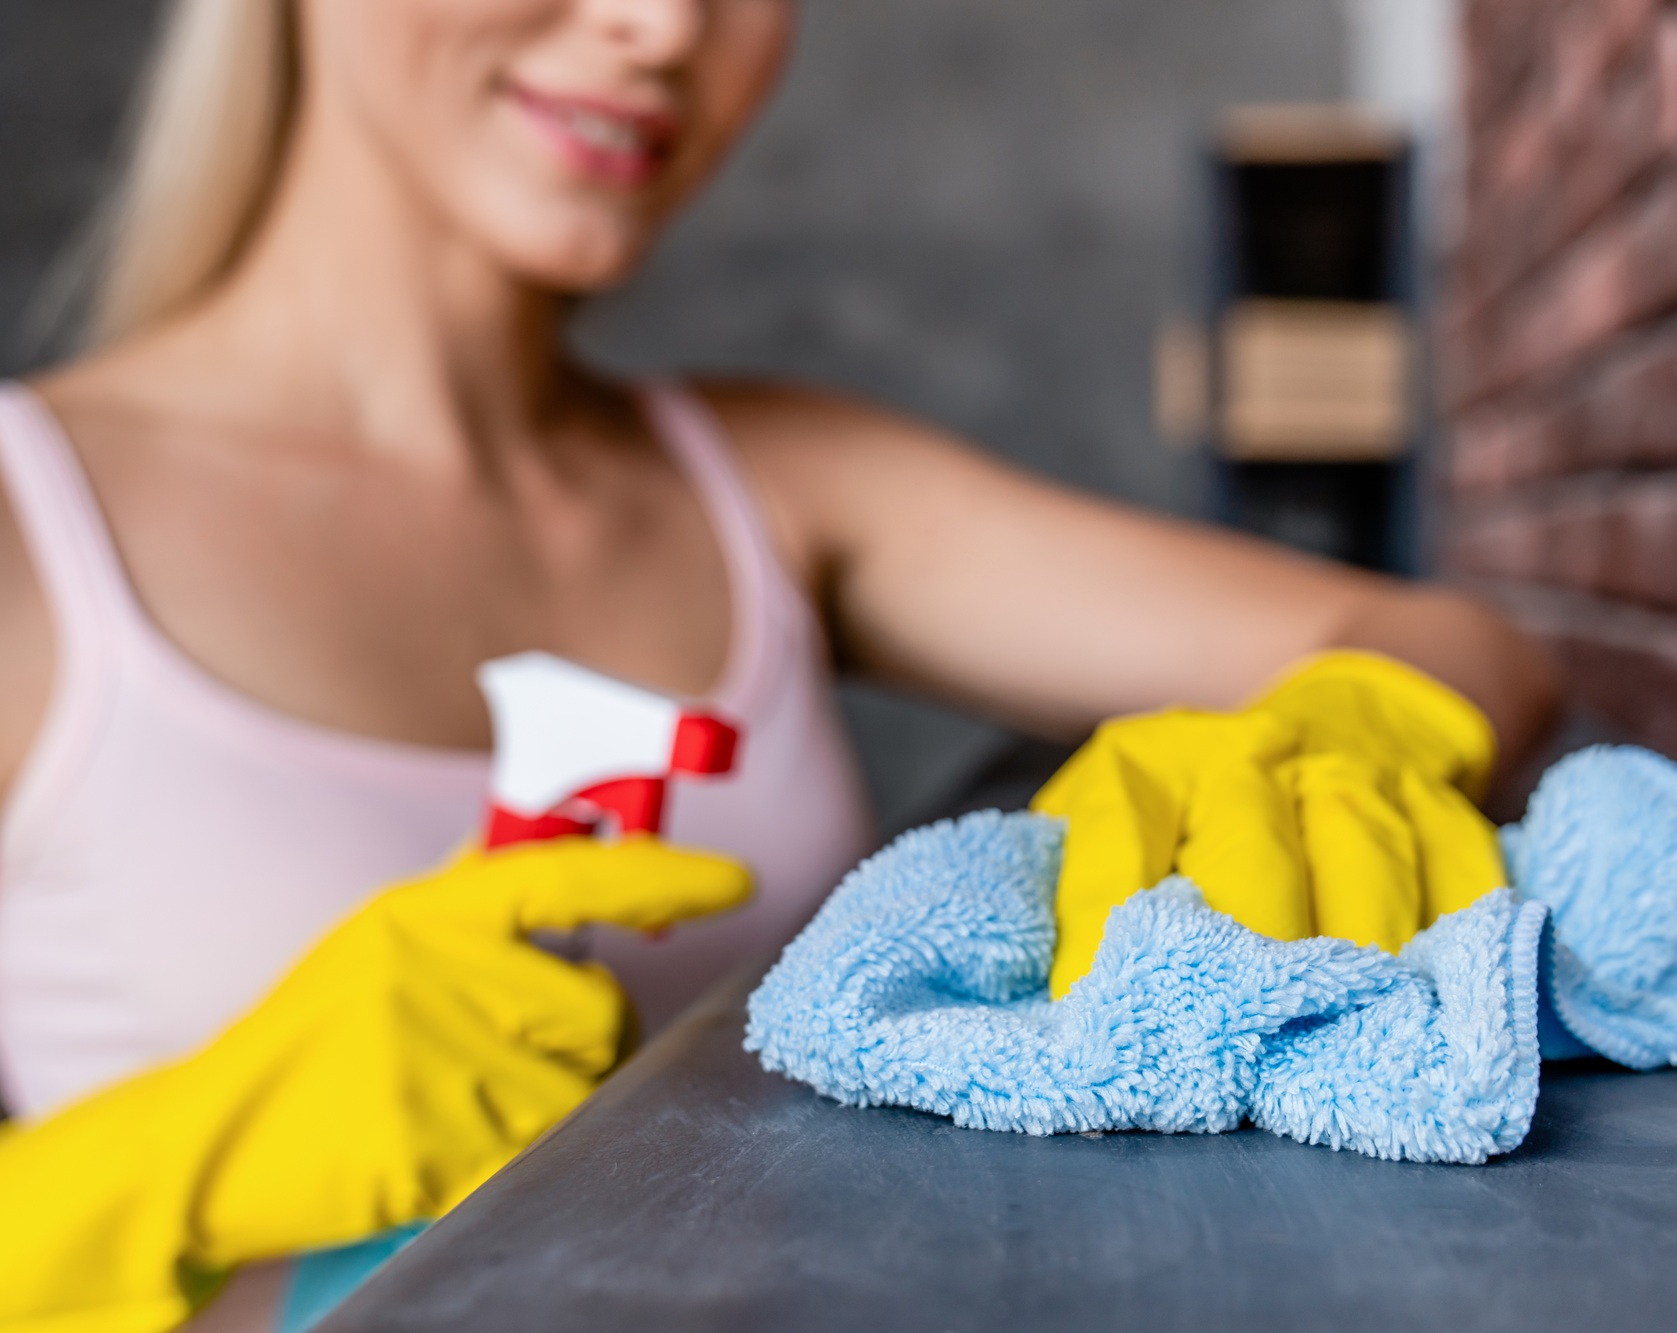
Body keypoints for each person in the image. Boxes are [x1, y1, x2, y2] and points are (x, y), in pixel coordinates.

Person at [0, 0, 1558, 1327]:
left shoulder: (779, 488)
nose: (668, 27)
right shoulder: (29, 524)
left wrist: (1329, 732)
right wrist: (179, 1158)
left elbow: (1442, 639)